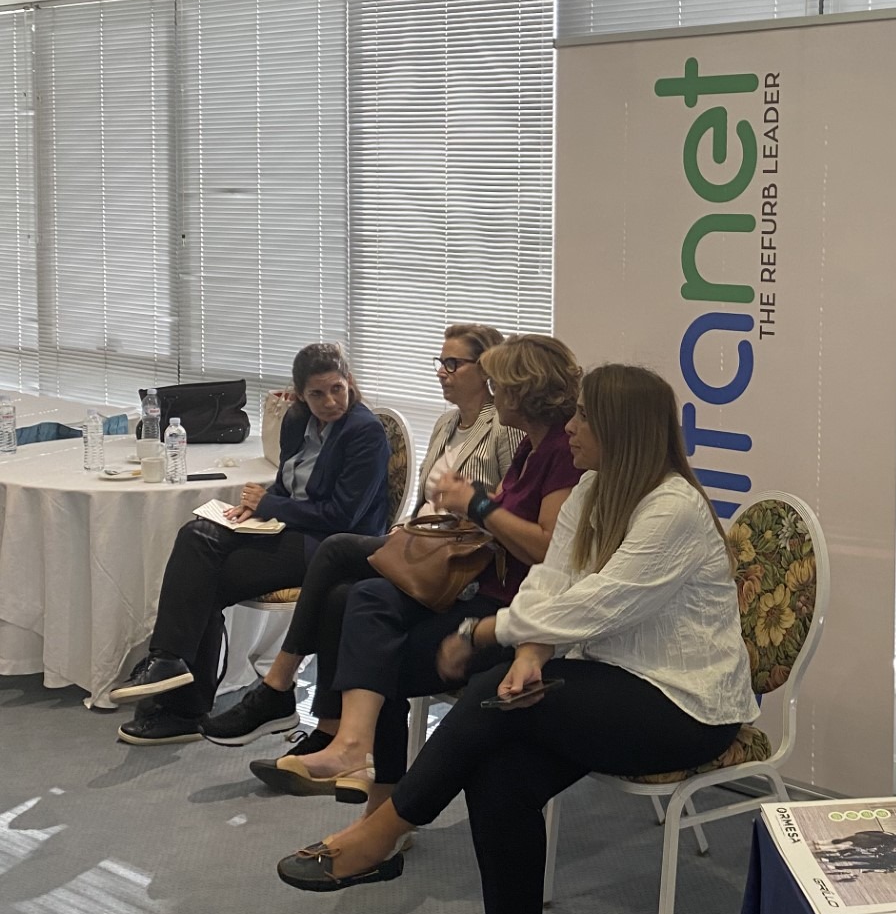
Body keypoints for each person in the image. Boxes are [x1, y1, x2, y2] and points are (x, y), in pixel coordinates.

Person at [272, 363, 754, 914]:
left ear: (621, 430)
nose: (571, 426)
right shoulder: (593, 489)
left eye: (584, 416)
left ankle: (383, 831)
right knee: (499, 771)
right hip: (609, 680)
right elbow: (553, 583)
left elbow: (600, 603)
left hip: (687, 706)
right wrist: (529, 653)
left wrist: (486, 631)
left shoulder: (673, 509)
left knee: (489, 697)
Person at [242, 334, 582, 800]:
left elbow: (545, 548)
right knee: (356, 597)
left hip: (507, 607)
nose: (494, 392)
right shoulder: (530, 447)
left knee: (374, 648)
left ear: (525, 394)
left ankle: (370, 781)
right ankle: (352, 751)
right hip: (474, 582)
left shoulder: (560, 453)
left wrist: (477, 503)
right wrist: (469, 504)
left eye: (500, 385)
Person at [200, 322, 515, 750]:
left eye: (453, 364)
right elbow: (424, 503)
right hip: (421, 545)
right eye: (440, 362)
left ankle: (278, 684)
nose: (442, 372)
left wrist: (468, 501)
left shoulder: (503, 429)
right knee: (339, 597)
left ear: (486, 368)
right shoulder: (445, 424)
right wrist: (407, 530)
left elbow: (506, 508)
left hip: (461, 560)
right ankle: (329, 731)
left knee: (336, 549)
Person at [111, 342, 389, 745]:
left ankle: (180, 701)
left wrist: (270, 505)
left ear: (349, 382)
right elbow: (292, 483)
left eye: (337, 389)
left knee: (200, 582)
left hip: (331, 546)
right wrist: (255, 507)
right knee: (195, 535)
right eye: (317, 394)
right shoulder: (297, 420)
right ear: (300, 394)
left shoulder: (365, 432)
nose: (330, 401)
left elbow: (342, 516)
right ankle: (169, 665)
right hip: (290, 528)